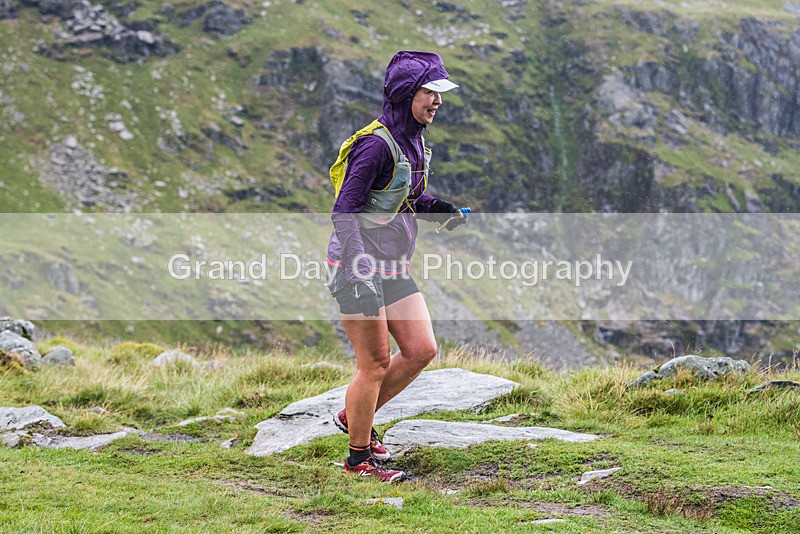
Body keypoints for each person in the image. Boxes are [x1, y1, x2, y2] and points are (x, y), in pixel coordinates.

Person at [326, 50, 470, 482]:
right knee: (374, 364)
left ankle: (356, 417)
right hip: (357, 267)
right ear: (409, 93)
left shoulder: (415, 141)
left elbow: (401, 194)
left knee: (422, 349)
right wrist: (359, 269)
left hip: (392, 267)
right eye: (430, 92)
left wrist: (436, 208)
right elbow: (345, 210)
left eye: (441, 93)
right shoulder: (374, 145)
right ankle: (358, 460)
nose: (438, 101)